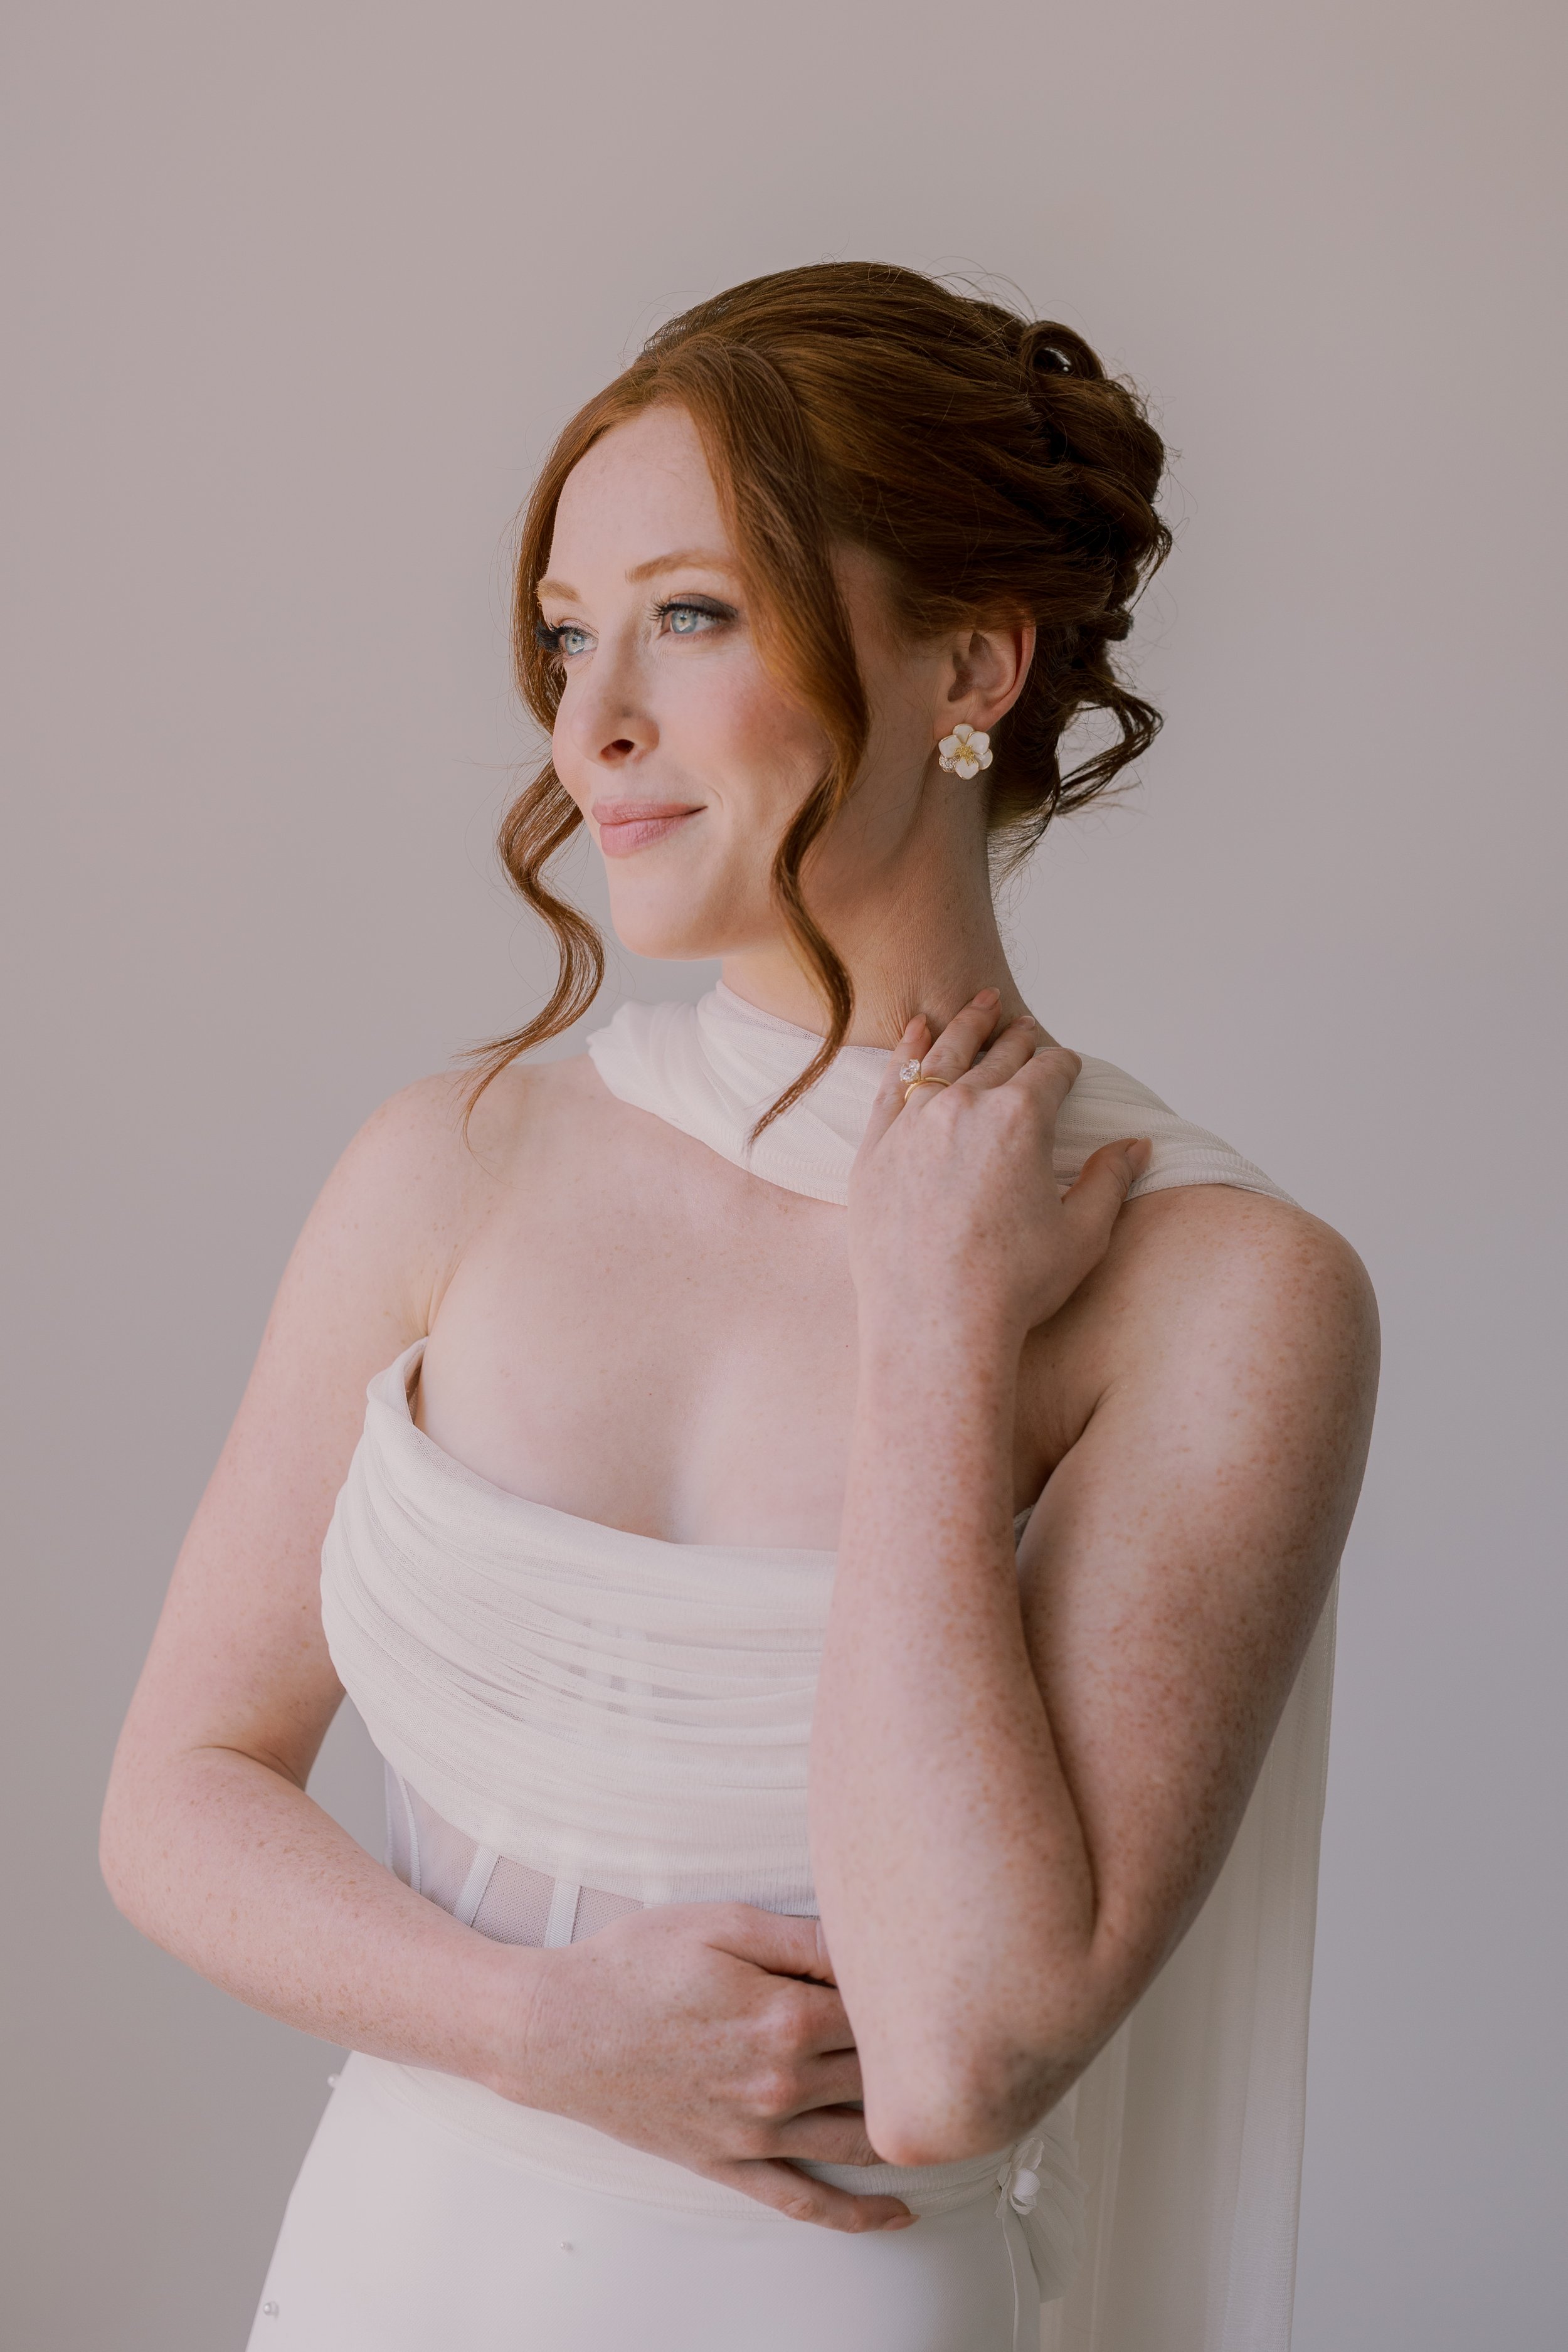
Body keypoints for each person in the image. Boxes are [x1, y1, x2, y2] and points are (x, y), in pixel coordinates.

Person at [100, 262, 1378, 2352]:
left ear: (970, 659)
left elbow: (966, 2052)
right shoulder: (458, 1160)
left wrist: (936, 1340)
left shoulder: (1223, 1296)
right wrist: (537, 2026)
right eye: (565, 636)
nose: (588, 721)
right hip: (382, 2283)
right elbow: (177, 1794)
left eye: (689, 617)